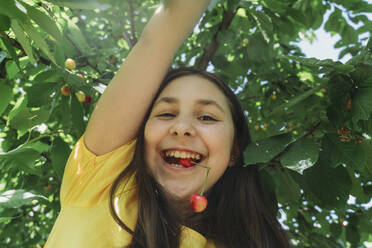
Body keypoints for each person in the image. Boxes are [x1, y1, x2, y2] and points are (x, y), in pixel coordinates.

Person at [45, 0, 292, 247]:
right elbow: (161, 34)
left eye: (207, 117)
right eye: (165, 114)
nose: (181, 127)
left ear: (234, 151)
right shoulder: (99, 182)